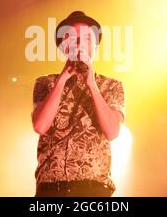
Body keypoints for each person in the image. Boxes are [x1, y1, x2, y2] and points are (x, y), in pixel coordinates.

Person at [31, 11, 125, 197]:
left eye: (87, 38)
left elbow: (113, 132)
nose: (80, 44)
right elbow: (40, 126)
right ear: (63, 46)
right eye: (72, 38)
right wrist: (62, 79)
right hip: (51, 190)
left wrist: (92, 84)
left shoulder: (111, 86)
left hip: (93, 190)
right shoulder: (46, 83)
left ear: (95, 46)